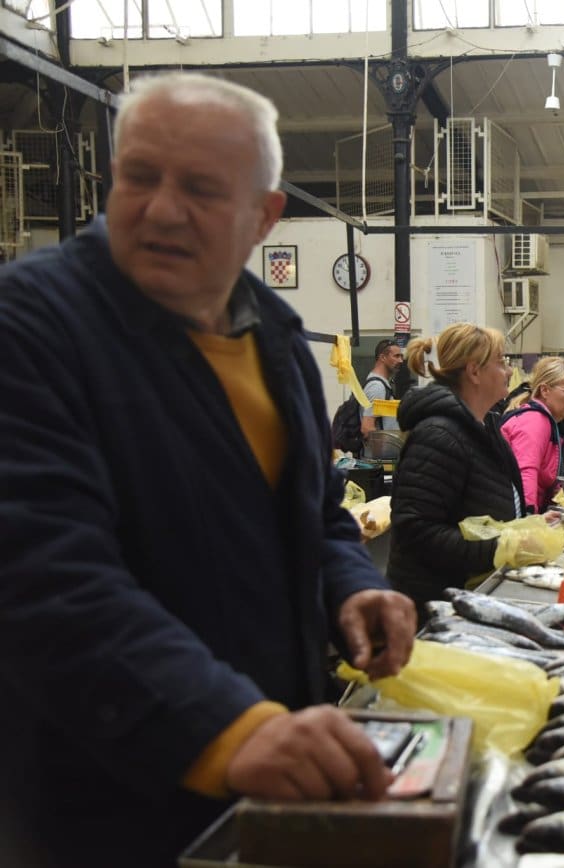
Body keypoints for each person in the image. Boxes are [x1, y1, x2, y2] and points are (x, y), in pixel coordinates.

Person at [0, 73, 416, 867]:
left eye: (199, 189)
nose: (161, 209)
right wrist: (228, 726)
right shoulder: (31, 327)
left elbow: (316, 511)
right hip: (107, 792)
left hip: (271, 770)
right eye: (139, 178)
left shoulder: (278, 340)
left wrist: (348, 585)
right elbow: (42, 572)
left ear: (264, 216)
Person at [387, 325, 526, 609]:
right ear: (474, 372)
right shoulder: (439, 436)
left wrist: (528, 526)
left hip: (473, 594)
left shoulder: (485, 426)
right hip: (437, 605)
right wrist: (503, 547)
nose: (510, 371)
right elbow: (417, 531)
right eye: (501, 362)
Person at [502, 357, 564, 512]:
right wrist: (530, 519)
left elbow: (549, 464)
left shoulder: (546, 420)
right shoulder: (535, 421)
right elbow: (525, 473)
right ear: (545, 390)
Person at [361, 338, 403, 436]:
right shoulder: (377, 387)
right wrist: (381, 451)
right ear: (383, 357)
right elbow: (367, 428)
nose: (401, 360)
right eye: (396, 356)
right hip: (381, 451)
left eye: (401, 356)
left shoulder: (382, 385)